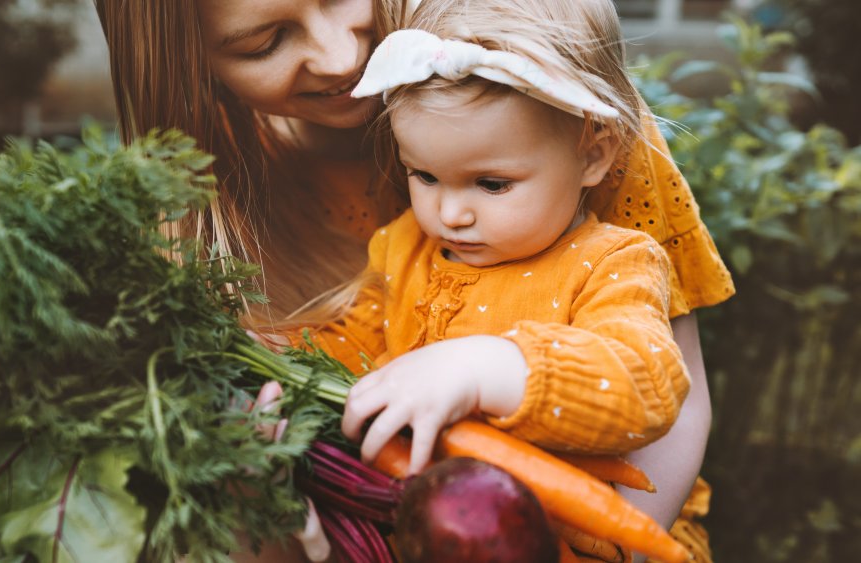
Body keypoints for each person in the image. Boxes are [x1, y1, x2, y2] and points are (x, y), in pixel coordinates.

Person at [94, 1, 734, 561]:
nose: (341, 55)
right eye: (265, 43)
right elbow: (353, 367)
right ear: (192, 61)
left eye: (491, 183)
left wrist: (493, 366)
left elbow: (661, 385)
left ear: (594, 153)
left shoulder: (545, 86)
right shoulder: (396, 250)